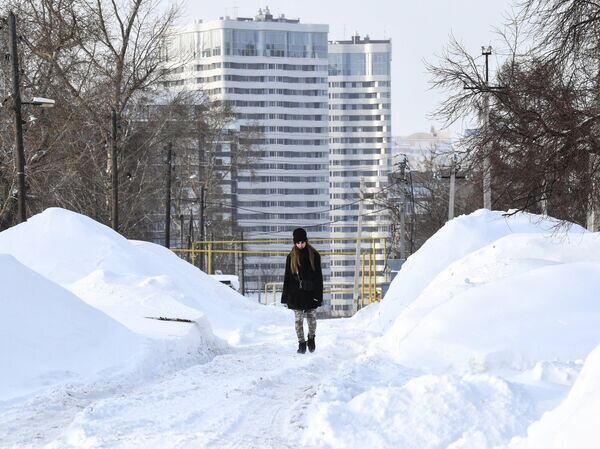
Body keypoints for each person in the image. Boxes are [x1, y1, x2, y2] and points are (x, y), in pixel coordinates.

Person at [281, 227, 323, 354]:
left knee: (312, 319)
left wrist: (318, 295)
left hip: (311, 293)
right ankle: (301, 343)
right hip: (296, 294)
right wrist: (286, 296)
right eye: (298, 243)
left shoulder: (314, 255)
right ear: (295, 243)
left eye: (302, 242)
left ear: (306, 241)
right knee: (298, 320)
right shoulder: (291, 257)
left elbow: (318, 277)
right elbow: (287, 277)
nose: (300, 245)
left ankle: (311, 338)